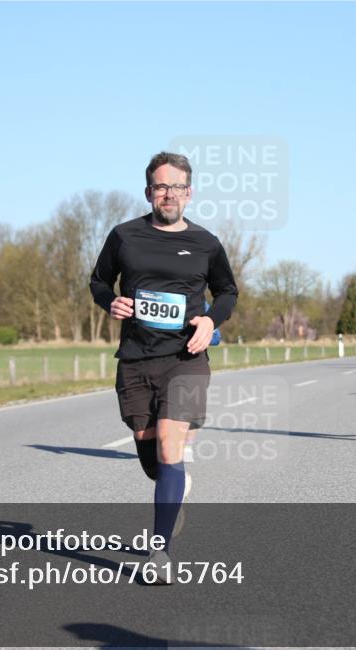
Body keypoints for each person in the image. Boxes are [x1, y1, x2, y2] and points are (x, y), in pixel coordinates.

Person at [90, 152, 238, 578]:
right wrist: (109, 301)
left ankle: (160, 553)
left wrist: (211, 319)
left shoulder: (206, 243)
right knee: (150, 448)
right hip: (136, 357)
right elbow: (99, 280)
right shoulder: (124, 236)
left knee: (171, 446)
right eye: (160, 186)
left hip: (185, 358)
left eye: (176, 187)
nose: (168, 194)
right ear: (148, 192)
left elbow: (227, 291)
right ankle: (175, 487)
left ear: (189, 194)